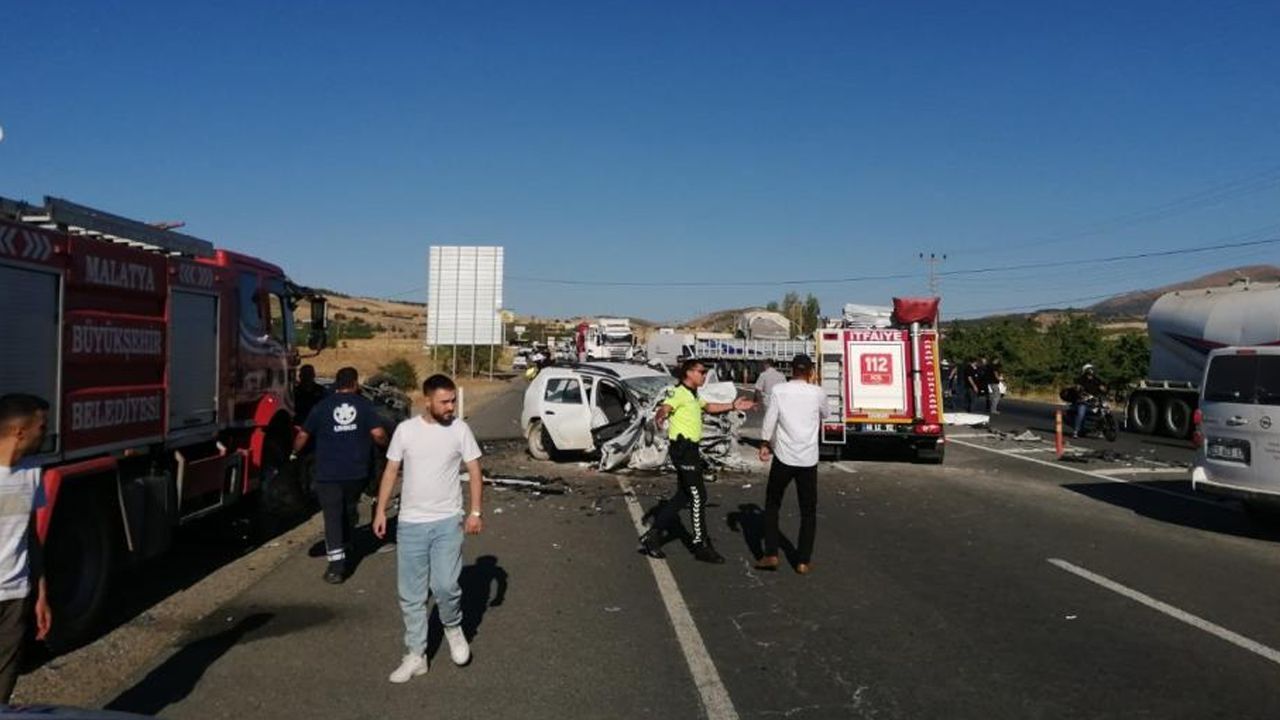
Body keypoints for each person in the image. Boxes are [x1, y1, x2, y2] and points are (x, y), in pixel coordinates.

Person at [373, 374, 484, 684]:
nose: (451, 407)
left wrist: (475, 512)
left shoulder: (460, 430)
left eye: (453, 401)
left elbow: (475, 471)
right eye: (445, 402)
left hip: (448, 521)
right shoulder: (406, 432)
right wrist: (381, 510)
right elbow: (392, 470)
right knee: (411, 595)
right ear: (427, 401)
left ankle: (452, 627)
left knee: (446, 586)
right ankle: (416, 655)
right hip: (410, 524)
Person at [639, 359, 755, 563]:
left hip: (691, 450)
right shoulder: (678, 392)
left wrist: (732, 405)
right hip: (683, 450)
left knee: (683, 497)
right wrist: (660, 417)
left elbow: (708, 407)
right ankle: (701, 545)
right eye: (701, 372)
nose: (704, 375)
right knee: (698, 496)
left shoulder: (694, 395)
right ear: (689, 373)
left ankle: (652, 537)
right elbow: (665, 407)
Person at [292, 367, 388, 584]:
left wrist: (293, 454)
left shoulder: (321, 407)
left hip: (328, 472)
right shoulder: (364, 406)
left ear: (336, 384)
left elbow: (302, 436)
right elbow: (378, 434)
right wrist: (385, 447)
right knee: (347, 507)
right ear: (354, 383)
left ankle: (336, 566)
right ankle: (346, 542)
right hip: (356, 472)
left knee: (332, 515)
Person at [0, 394, 52, 703]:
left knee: (3, 688)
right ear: (20, 432)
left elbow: (31, 536)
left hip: (16, 597)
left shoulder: (33, 472)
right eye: (41, 427)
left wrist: (41, 593)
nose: (45, 433)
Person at [755, 355, 828, 575]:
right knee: (808, 510)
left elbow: (771, 418)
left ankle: (771, 554)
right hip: (808, 459)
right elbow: (826, 414)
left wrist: (765, 442)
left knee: (772, 503)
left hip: (784, 456)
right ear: (811, 372)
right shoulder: (818, 392)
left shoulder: (780, 390)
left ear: (792, 370)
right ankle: (803, 560)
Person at [1071, 363, 1108, 438]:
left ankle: (1100, 431)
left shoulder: (1096, 380)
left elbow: (1103, 387)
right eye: (1089, 370)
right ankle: (1076, 431)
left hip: (1095, 401)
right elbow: (1077, 387)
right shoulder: (1081, 379)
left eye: (1092, 370)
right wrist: (1080, 391)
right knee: (1081, 413)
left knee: (1103, 413)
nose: (1091, 372)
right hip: (1084, 401)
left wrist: (1104, 389)